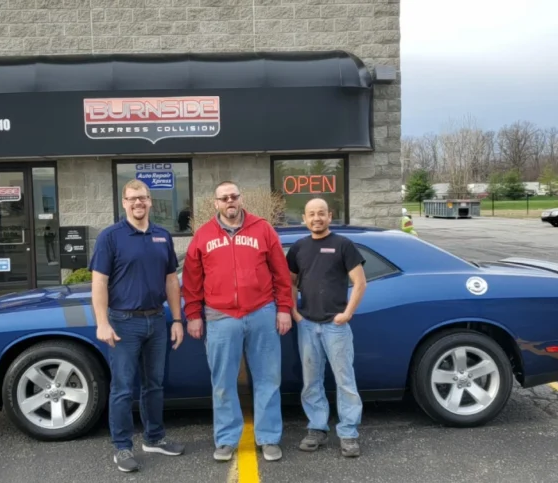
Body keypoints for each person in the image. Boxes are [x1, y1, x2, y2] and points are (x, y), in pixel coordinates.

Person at [182, 181, 294, 463]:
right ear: (216, 203)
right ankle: (226, 439)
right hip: (220, 316)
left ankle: (268, 438)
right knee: (222, 382)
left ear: (241, 199)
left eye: (234, 196)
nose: (230, 201)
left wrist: (284, 308)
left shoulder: (263, 229)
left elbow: (281, 272)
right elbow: (192, 280)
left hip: (261, 312)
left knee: (268, 378)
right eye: (224, 198)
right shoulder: (203, 235)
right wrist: (193, 314)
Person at [90, 179, 186, 473]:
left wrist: (178, 319)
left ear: (150, 201)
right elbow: (99, 282)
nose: (138, 203)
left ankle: (154, 438)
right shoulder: (111, 236)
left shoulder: (161, 235)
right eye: (132, 199)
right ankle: (122, 447)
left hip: (157, 320)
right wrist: (102, 322)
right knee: (122, 389)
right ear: (124, 203)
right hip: (123, 323)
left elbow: (171, 279)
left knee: (154, 385)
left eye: (142, 198)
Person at [287, 198, 367, 458]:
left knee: (345, 381)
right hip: (307, 325)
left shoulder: (343, 245)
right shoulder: (299, 247)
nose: (316, 218)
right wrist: (294, 312)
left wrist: (347, 313)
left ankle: (348, 433)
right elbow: (289, 283)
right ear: (304, 218)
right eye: (311, 214)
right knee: (311, 381)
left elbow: (360, 282)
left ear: (329, 216)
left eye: (321, 213)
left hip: (336, 326)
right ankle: (317, 428)